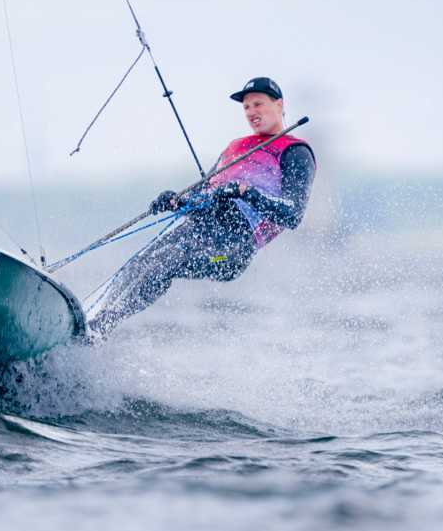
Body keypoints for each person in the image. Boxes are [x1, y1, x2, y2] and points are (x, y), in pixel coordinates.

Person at [86, 76, 316, 337]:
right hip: (201, 227)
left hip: (232, 249)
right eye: (246, 107)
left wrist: (246, 192)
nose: (251, 112)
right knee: (141, 262)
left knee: (167, 259)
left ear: (279, 104)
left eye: (258, 104)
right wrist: (176, 200)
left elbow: (293, 214)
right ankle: (90, 320)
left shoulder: (295, 152)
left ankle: (102, 327)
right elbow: (202, 195)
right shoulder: (235, 147)